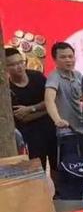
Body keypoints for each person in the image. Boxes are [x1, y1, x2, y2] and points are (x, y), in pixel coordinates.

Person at [45, 42, 83, 200]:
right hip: (66, 132)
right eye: (63, 57)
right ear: (55, 59)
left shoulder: (78, 75)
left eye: (70, 56)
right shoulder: (54, 77)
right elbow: (49, 100)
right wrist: (57, 119)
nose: (68, 60)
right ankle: (69, 202)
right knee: (70, 170)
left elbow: (82, 98)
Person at [6, 48, 57, 176]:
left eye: (20, 62)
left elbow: (52, 100)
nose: (19, 67)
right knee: (38, 173)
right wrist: (47, 109)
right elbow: (23, 118)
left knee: (58, 170)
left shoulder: (37, 77)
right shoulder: (8, 89)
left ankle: (60, 195)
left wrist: (31, 109)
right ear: (5, 68)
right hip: (30, 137)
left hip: (52, 131)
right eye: (13, 64)